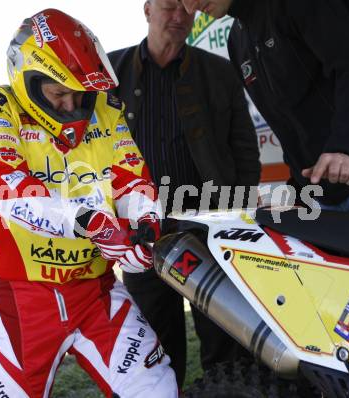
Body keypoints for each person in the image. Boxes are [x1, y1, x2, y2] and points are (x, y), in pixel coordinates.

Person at [0, 9, 178, 398]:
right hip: (23, 300)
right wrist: (94, 223)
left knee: (155, 388)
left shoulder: (104, 109)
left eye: (78, 94)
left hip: (96, 291)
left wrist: (144, 228)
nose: (71, 106)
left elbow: (132, 179)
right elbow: (10, 193)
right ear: (26, 80)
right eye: (58, 93)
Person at [108, 0, 260, 389]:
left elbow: (244, 148)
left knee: (224, 338)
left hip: (209, 231)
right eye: (168, 6)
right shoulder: (111, 73)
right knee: (155, 344)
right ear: (147, 9)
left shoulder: (218, 72)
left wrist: (238, 211)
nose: (178, 17)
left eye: (187, 10)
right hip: (143, 235)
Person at [181, 0, 349, 214]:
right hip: (323, 203)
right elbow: (288, 125)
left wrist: (346, 147)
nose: (190, 8)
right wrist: (297, 192)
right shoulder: (236, 42)